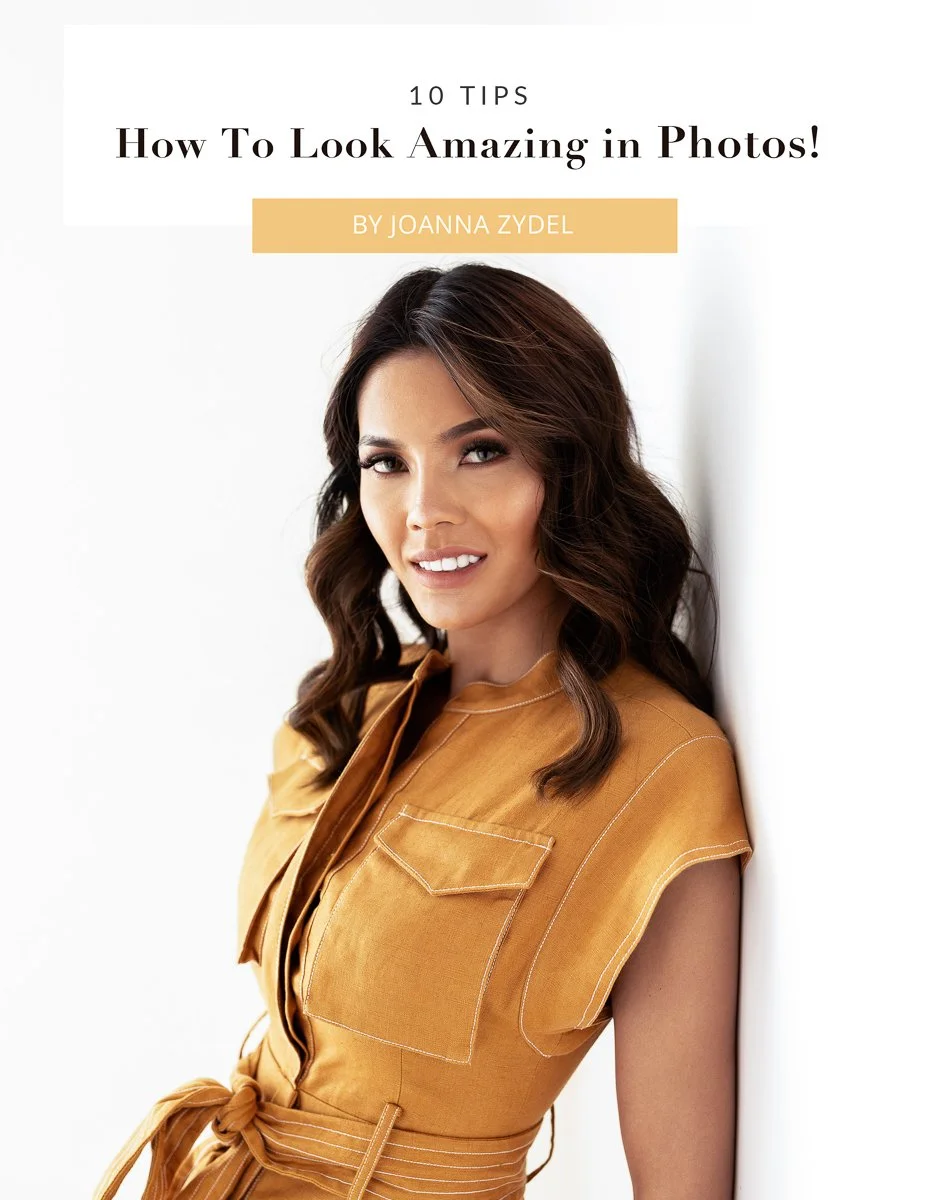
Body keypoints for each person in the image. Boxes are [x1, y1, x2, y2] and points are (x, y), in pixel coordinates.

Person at [95, 263, 753, 1200]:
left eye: (479, 451)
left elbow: (685, 1187)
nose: (423, 511)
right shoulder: (346, 716)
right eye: (386, 462)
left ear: (566, 463)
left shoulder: (658, 769)